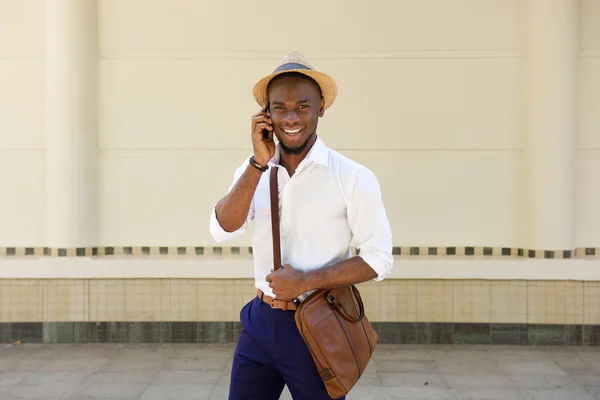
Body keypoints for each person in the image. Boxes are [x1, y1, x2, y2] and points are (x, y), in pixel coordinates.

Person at [209, 50, 393, 400]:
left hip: (318, 324)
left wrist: (305, 281)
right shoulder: (252, 171)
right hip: (260, 321)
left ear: (321, 106)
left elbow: (379, 258)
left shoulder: (351, 177)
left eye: (302, 106)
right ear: (266, 114)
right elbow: (222, 228)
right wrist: (256, 164)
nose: (291, 117)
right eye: (280, 107)